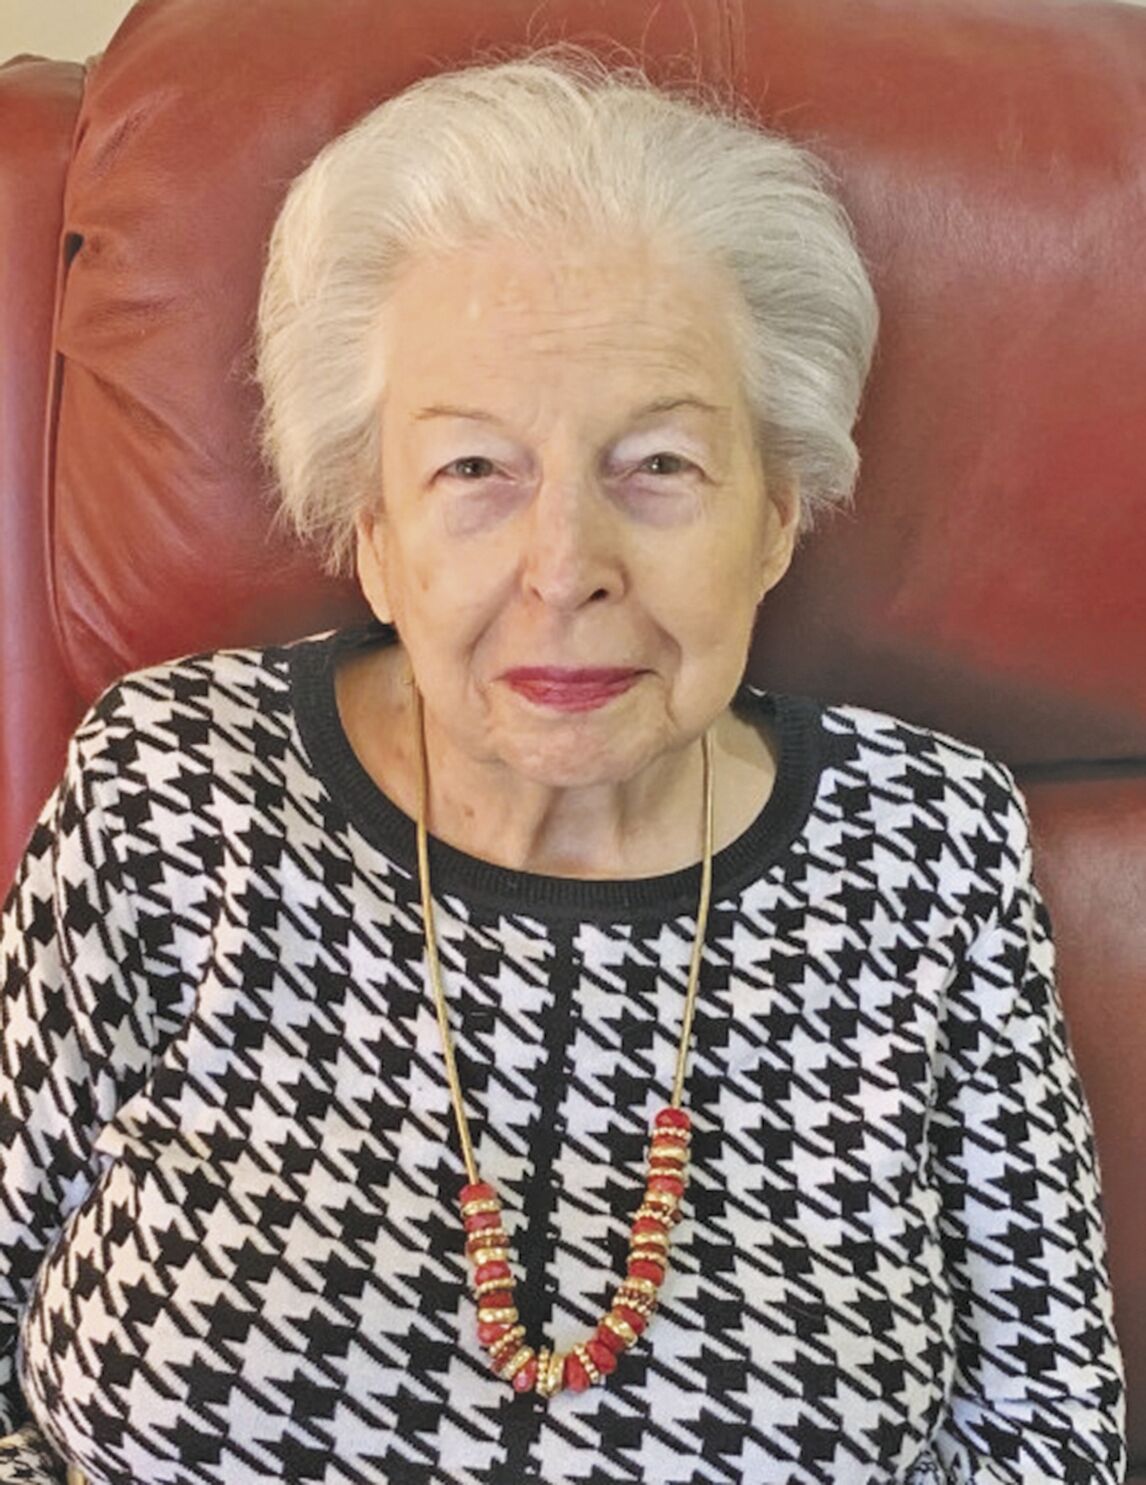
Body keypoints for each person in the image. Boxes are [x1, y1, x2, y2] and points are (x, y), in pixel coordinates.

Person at [0, 50, 1126, 1485]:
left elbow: (1046, 1433)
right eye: (475, 471)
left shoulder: (928, 846)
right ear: (373, 535)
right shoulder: (172, 787)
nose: (564, 569)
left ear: (776, 517)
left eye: (659, 466)